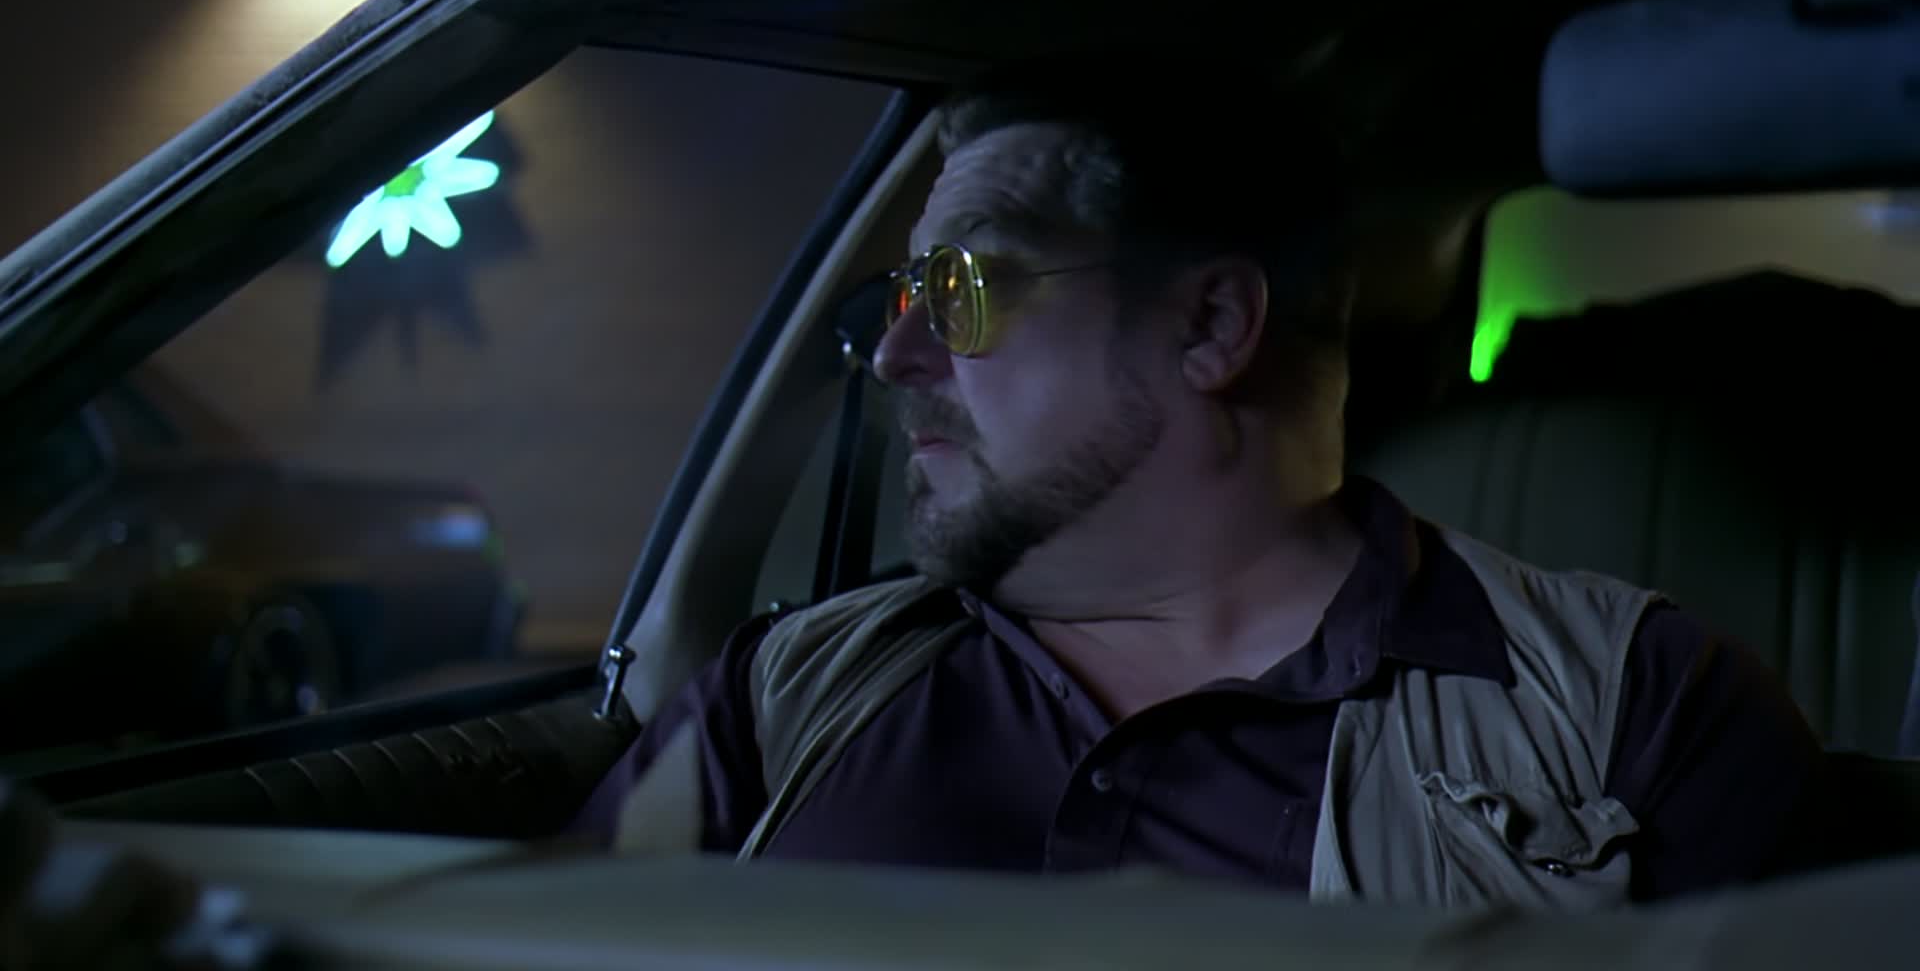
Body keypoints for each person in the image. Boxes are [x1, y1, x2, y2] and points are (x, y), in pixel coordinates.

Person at [573, 56, 1826, 905]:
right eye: (904, 296)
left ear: (1211, 324)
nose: (898, 356)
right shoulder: (784, 689)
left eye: (962, 288)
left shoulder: (1631, 714)